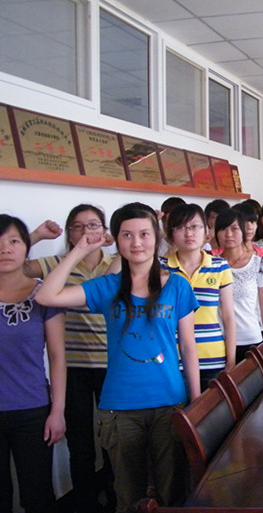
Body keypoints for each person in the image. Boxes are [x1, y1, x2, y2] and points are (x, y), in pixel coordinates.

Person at [36, 203, 200, 513]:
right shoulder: (107, 286)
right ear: (117, 239)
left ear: (157, 238)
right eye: (127, 235)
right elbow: (47, 296)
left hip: (169, 401)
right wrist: (79, 250)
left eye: (144, 234)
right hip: (120, 407)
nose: (136, 243)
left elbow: (189, 347)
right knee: (127, 496)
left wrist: (196, 400)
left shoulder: (178, 285)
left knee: (172, 493)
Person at [25, 204, 116, 513]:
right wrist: (37, 235)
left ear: (104, 231)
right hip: (72, 368)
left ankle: (116, 501)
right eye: (78, 226)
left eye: (93, 225)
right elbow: (10, 265)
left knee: (114, 440)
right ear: (69, 233)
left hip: (111, 366)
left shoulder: (117, 264)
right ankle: (86, 503)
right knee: (80, 443)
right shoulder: (56, 264)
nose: (86, 231)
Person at [0, 215, 66, 513]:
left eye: (14, 241)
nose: (5, 249)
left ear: (26, 247)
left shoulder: (43, 294)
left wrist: (58, 411)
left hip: (32, 410)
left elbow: (57, 357)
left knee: (37, 495)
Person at [162, 204, 236, 389]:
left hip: (213, 359)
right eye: (180, 227)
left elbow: (228, 316)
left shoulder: (219, 266)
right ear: (171, 234)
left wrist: (231, 359)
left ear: (206, 231)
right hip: (172, 360)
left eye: (195, 226)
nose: (189, 233)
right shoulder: (160, 268)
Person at [214, 208, 263, 360]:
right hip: (217, 340)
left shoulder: (260, 262)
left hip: (249, 338)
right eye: (223, 229)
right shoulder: (210, 264)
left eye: (234, 229)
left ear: (243, 231)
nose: (228, 234)